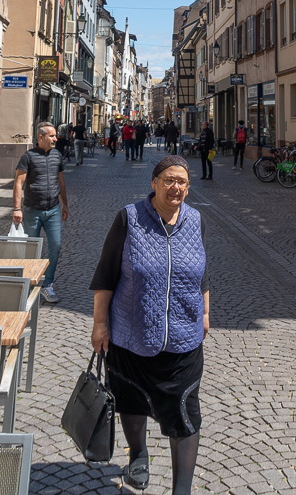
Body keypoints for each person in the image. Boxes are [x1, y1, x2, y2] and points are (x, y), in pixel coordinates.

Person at [90, 156, 209, 495]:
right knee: (131, 399)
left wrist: (204, 313)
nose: (177, 188)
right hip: (132, 333)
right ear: (154, 183)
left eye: (183, 182)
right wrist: (100, 324)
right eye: (169, 180)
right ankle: (138, 454)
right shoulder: (129, 218)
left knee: (186, 413)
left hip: (184, 338)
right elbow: (105, 274)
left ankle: (181, 489)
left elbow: (204, 272)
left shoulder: (196, 220)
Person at [13, 123, 69, 303]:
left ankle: (48, 284)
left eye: (55, 136)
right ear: (41, 137)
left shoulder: (57, 156)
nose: (55, 139)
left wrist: (64, 205)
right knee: (31, 248)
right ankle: (29, 283)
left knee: (56, 245)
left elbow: (60, 182)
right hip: (32, 210)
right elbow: (18, 183)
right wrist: (17, 208)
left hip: (53, 209)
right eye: (52, 136)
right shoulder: (28, 157)